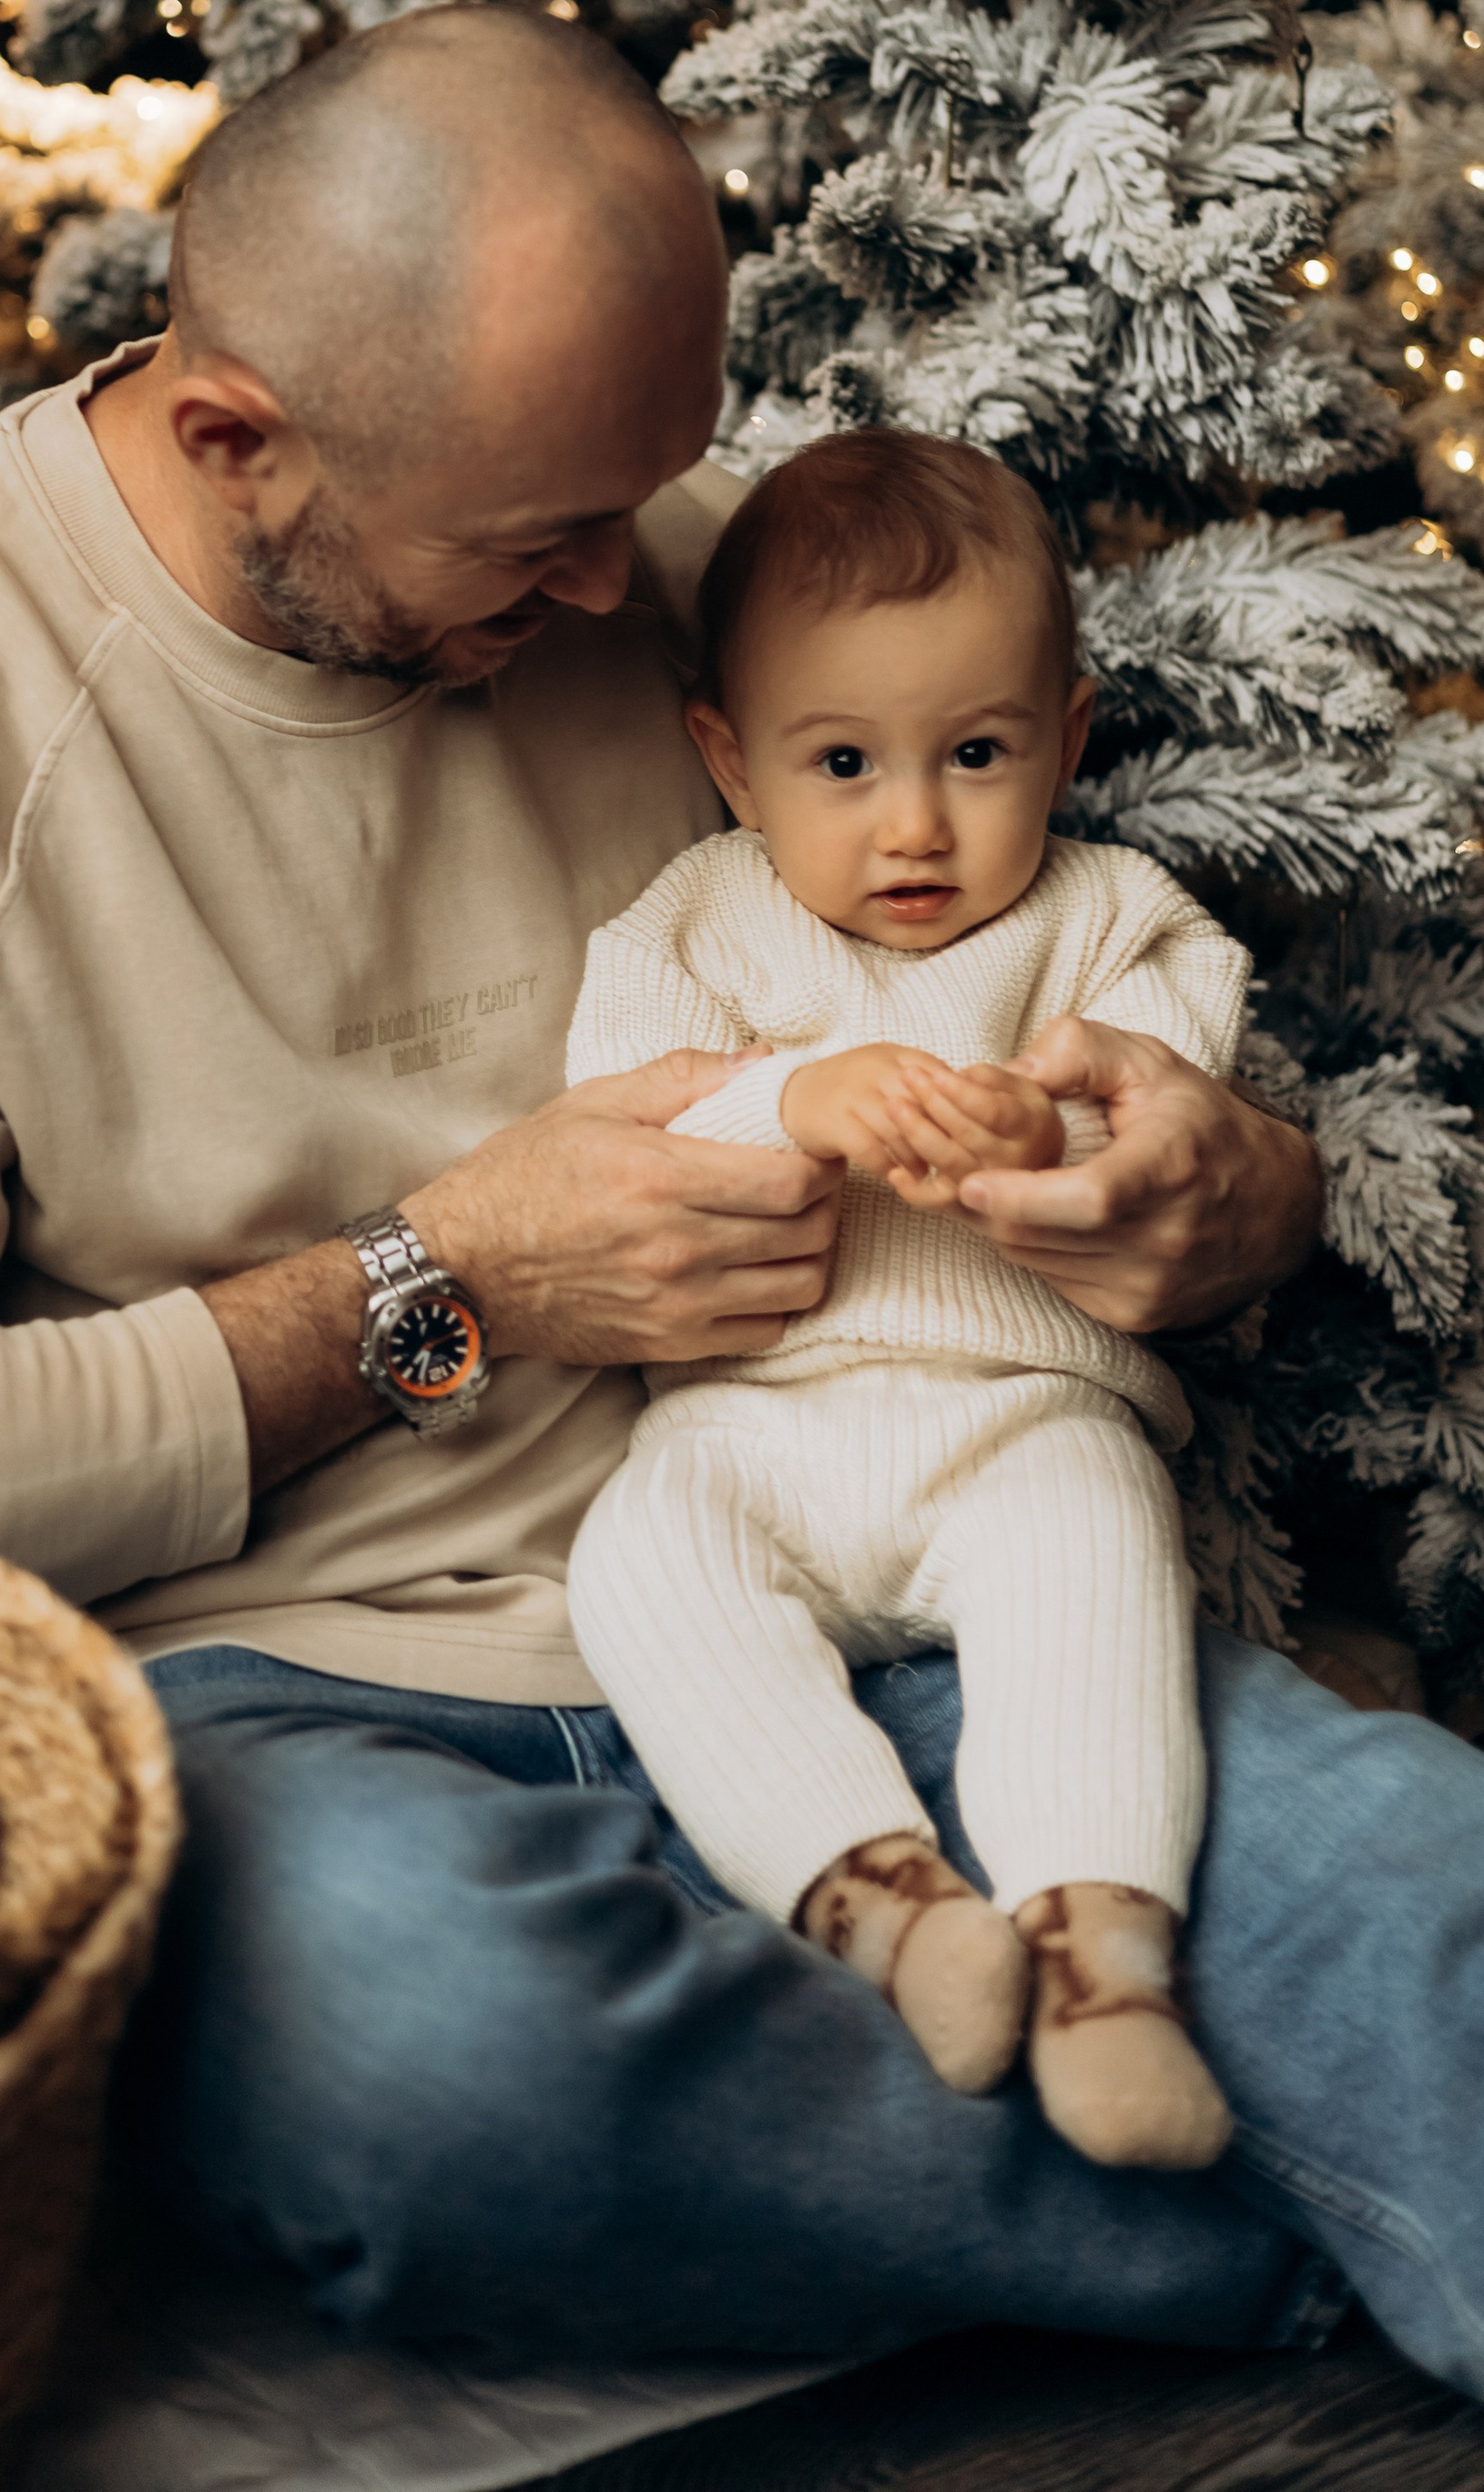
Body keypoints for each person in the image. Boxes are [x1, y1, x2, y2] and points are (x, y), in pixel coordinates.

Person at [0, 7, 1484, 2490]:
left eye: (644, 499)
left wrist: (1225, 1192)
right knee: (416, 2059)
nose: (627, 586)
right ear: (237, 438)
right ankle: (1326, 2229)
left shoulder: (646, 555)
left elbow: (1046, 963)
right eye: (537, 543)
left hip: (886, 1554)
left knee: (1449, 1880)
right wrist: (443, 1291)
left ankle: (1313, 2139)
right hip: (284, 1697)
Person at [564, 427, 1252, 2172]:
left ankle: (1104, 1958)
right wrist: (791, 1100)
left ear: (1070, 738)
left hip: (1014, 1418)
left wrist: (1063, 1114)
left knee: (1095, 1559)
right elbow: (617, 1115)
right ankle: (882, 1903)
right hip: (753, 1434)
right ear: (729, 761)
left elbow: (1173, 1104)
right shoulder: (695, 924)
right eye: (846, 761)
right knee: (642, 1565)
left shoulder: (1111, 918)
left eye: (978, 753)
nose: (918, 823)